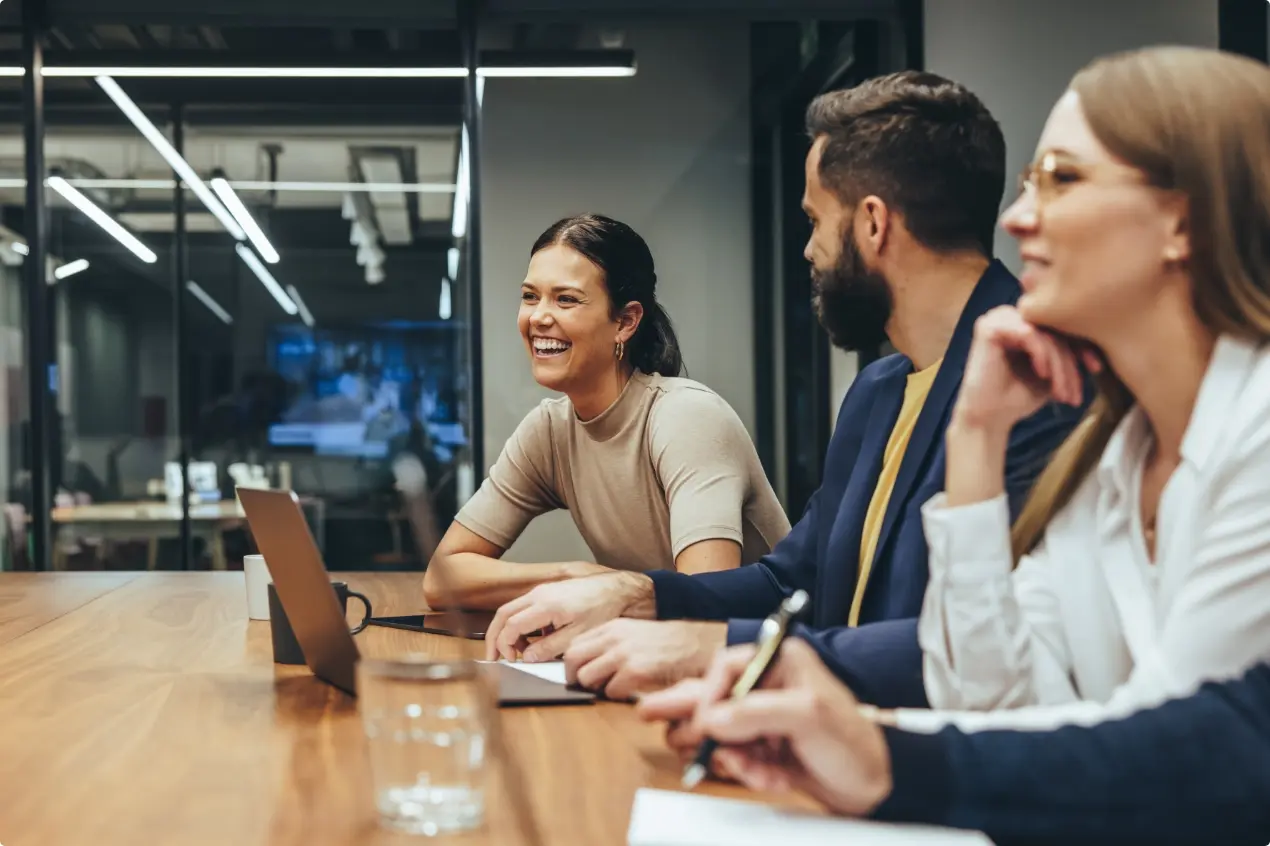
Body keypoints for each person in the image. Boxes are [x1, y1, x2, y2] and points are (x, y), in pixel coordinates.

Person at [484, 71, 1084, 705]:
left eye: (815, 220)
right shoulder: (879, 391)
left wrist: (712, 646)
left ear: (872, 225)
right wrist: (639, 595)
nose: (808, 251)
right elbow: (792, 579)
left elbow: (974, 649)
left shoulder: (1042, 388)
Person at [884, 45, 1270, 733]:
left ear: (1182, 221)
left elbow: (1160, 754)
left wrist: (870, 747)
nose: (1015, 218)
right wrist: (975, 434)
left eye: (1060, 179)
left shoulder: (1259, 432)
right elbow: (985, 704)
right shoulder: (1113, 456)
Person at [423, 214, 789, 611]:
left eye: (566, 299)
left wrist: (607, 590)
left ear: (626, 322)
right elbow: (442, 580)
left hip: (767, 658)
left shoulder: (687, 416)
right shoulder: (549, 431)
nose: (539, 317)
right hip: (662, 654)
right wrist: (573, 576)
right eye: (530, 296)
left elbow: (703, 604)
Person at [638, 639, 1270, 846]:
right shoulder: (1111, 438)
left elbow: (1212, 746)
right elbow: (995, 687)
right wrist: (871, 743)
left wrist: (886, 752)